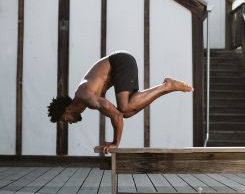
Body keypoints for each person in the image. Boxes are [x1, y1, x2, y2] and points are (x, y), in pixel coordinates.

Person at [48, 51, 193, 153]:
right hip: (121, 65)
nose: (68, 122)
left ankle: (166, 86)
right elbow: (119, 115)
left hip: (121, 62)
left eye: (64, 120)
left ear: (66, 110)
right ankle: (166, 87)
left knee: (123, 108)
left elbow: (116, 115)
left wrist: (115, 143)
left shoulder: (85, 96)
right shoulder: (86, 100)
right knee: (127, 112)